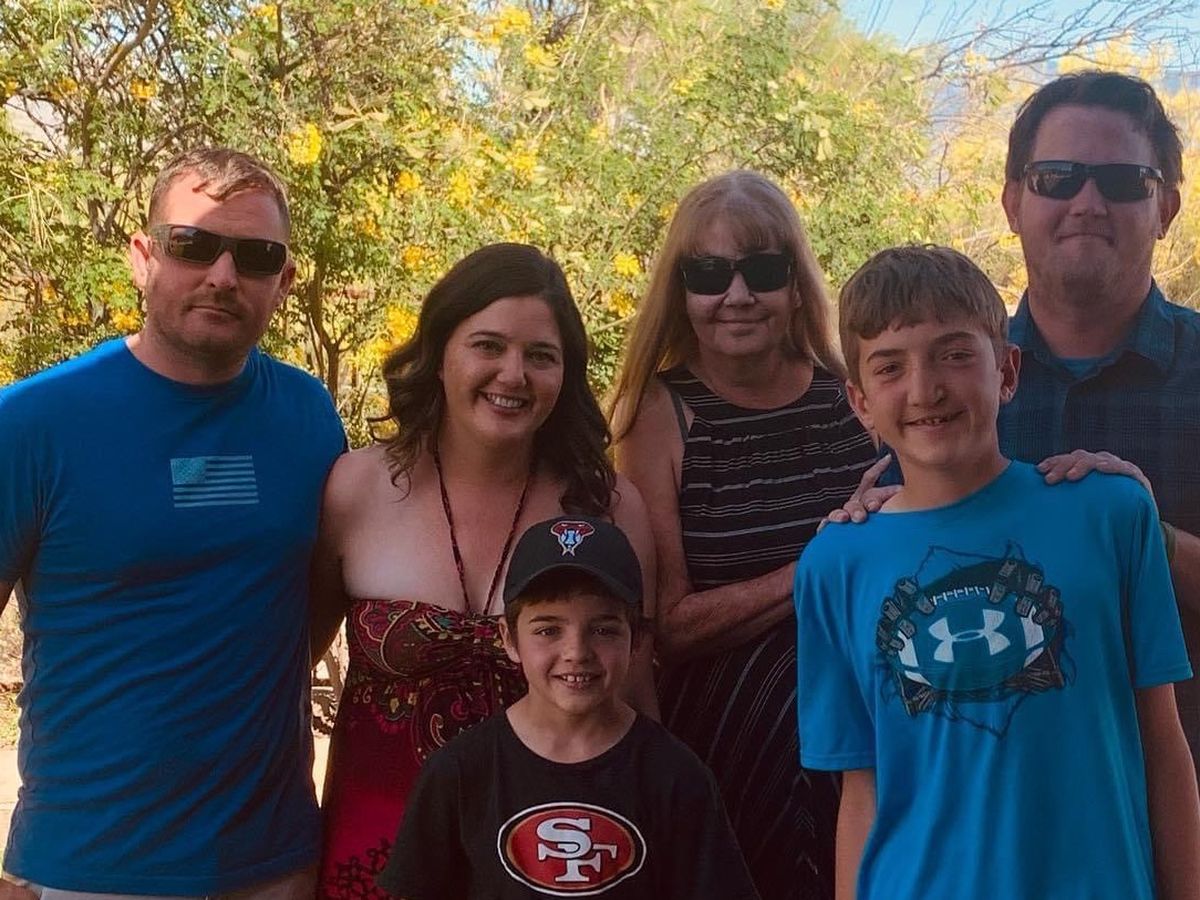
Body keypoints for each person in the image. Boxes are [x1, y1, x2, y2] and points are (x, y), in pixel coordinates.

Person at [796, 244, 1200, 900]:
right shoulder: (833, 564)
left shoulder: (1111, 515)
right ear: (860, 401)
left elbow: (1162, 741)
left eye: (954, 355)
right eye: (890, 367)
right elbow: (861, 793)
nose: (925, 389)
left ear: (1007, 371)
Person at [0, 148, 346, 896]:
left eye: (256, 256)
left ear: (285, 281)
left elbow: (309, 612)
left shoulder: (309, 415)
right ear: (143, 256)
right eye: (193, 245)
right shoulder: (33, 422)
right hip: (90, 866)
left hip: (273, 862)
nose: (223, 275)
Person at [839, 71, 1200, 782]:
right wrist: (878, 532)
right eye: (1056, 178)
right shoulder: (940, 392)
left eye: (1123, 181)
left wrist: (1146, 538)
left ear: (1166, 207)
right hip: (998, 808)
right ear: (1012, 203)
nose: (1088, 203)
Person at [311, 243, 657, 898]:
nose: (513, 374)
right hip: (372, 864)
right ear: (440, 352)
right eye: (488, 346)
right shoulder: (355, 489)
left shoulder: (609, 511)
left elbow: (637, 709)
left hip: (550, 866)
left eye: (541, 356)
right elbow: (289, 672)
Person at [608, 170, 877, 898]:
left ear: (795, 285)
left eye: (761, 271)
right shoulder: (658, 415)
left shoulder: (855, 398)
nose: (737, 295)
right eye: (708, 274)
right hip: (729, 751)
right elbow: (667, 626)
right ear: (680, 291)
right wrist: (821, 562)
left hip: (867, 747)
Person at [377, 515, 759, 900]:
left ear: (638, 639)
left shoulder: (677, 776)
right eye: (548, 630)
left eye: (603, 629)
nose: (577, 652)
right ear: (509, 638)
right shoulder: (460, 770)